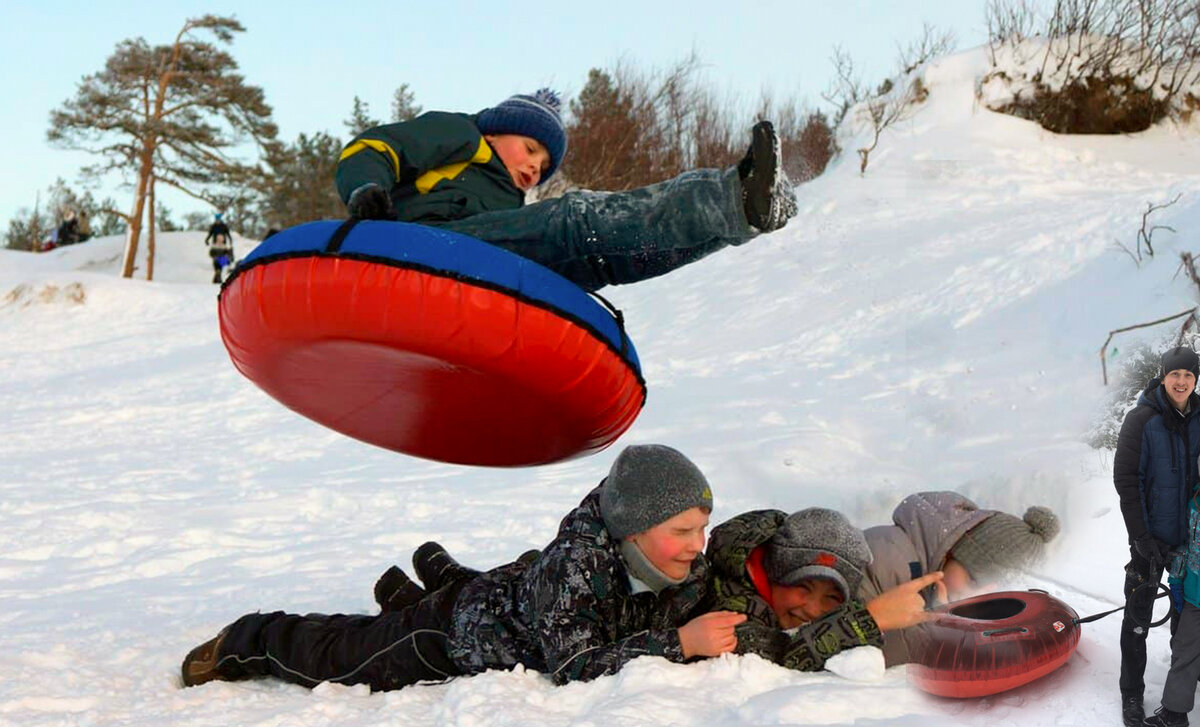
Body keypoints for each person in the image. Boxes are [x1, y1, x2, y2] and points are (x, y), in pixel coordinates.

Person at [181, 444, 747, 690]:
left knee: (499, 590)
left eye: (700, 528)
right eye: (681, 531)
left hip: (507, 596)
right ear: (632, 527)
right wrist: (679, 644)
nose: (698, 544)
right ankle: (249, 639)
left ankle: (424, 580)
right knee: (343, 659)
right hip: (452, 633)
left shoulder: (680, 562)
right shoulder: (576, 566)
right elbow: (574, 665)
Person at [335, 88, 798, 292]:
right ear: (497, 132)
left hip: (475, 261)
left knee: (603, 258)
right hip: (419, 243)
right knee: (574, 222)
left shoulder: (509, 202)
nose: (536, 166)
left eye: (544, 163)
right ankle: (730, 198)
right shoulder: (464, 135)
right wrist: (367, 190)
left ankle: (743, 214)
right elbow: (378, 146)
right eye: (531, 148)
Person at [704, 506, 944, 671]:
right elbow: (773, 658)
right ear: (772, 573)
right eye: (802, 586)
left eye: (832, 596)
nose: (811, 608)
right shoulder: (732, 602)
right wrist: (868, 620)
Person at [855, 491, 1060, 666]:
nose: (973, 597)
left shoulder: (930, 576)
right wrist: (939, 632)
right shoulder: (888, 560)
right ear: (954, 551)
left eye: (992, 595)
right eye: (973, 580)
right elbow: (854, 656)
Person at [1115, 346, 1200, 727]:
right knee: (1138, 618)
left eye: (1189, 375)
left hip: (1189, 543)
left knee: (1185, 621)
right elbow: (1126, 480)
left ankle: (1178, 692)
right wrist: (1141, 536)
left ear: (1196, 379)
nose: (1181, 382)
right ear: (1163, 376)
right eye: (1175, 374)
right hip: (1149, 541)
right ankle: (1132, 693)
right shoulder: (1141, 419)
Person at [205, 213, 234, 284]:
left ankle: (219, 273)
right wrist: (207, 240)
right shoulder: (214, 226)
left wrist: (230, 240)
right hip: (216, 244)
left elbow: (228, 234)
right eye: (217, 219)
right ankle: (218, 273)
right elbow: (210, 234)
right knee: (218, 260)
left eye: (218, 219)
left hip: (222, 244)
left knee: (221, 260)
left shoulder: (223, 226)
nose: (217, 221)